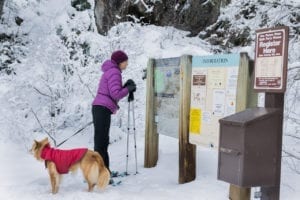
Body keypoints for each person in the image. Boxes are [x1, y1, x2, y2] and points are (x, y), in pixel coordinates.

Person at [92, 50, 136, 173]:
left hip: (100, 108)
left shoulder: (111, 71)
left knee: (102, 142)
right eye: (126, 61)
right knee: (101, 143)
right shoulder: (115, 72)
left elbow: (112, 90)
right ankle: (101, 174)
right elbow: (115, 94)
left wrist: (125, 86)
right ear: (120, 62)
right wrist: (128, 89)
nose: (127, 64)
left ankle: (105, 172)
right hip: (102, 109)